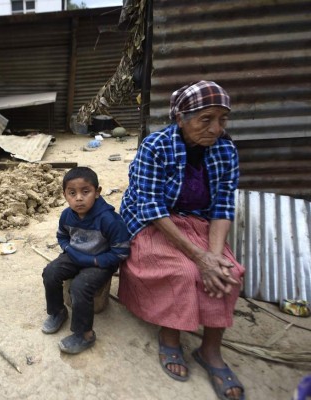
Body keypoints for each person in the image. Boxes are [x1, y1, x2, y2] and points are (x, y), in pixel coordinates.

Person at [118, 81, 245, 399]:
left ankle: (210, 350)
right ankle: (170, 336)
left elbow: (223, 207)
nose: (216, 128)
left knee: (228, 271)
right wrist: (198, 258)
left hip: (198, 221)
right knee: (183, 271)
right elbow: (150, 207)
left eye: (222, 120)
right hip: (155, 222)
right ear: (181, 118)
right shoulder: (155, 146)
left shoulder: (226, 150)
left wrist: (213, 257)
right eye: (206, 119)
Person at [42, 166, 130, 354]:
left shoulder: (108, 219)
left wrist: (97, 261)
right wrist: (69, 250)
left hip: (101, 261)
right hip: (75, 255)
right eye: (72, 193)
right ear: (65, 194)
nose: (79, 198)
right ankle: (58, 312)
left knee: (80, 287)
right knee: (50, 272)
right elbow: (63, 236)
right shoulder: (67, 215)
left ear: (97, 192)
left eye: (86, 192)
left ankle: (85, 335)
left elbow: (121, 252)